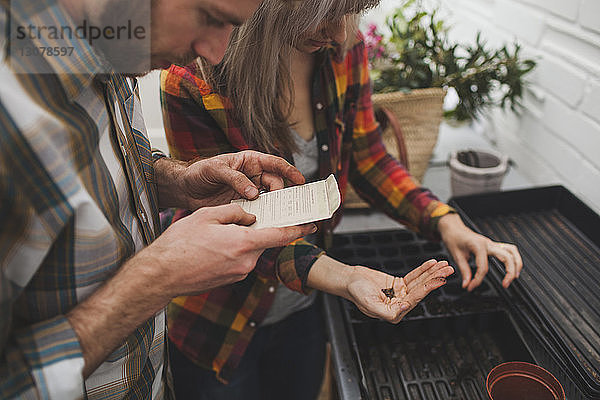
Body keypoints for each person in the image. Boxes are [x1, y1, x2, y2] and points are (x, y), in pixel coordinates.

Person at [157, 0, 502, 399]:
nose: (340, 32)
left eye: (351, 11)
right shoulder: (193, 76)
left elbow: (368, 156)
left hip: (304, 306)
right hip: (217, 319)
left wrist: (445, 220)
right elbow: (233, 222)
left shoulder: (342, 50)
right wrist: (345, 276)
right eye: (326, 12)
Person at [0, 0, 324, 398]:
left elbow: (106, 169)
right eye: (209, 17)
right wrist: (158, 277)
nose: (217, 51)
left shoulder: (115, 43)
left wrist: (179, 181)